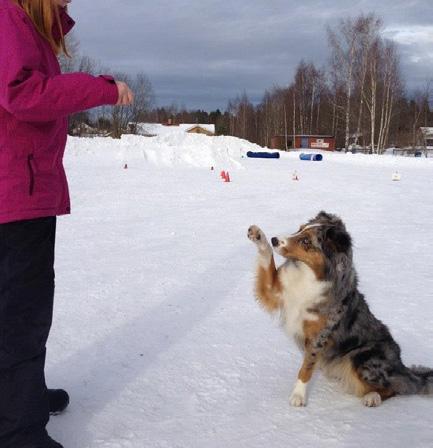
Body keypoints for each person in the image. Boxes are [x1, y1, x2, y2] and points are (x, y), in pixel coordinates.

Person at [0, 0, 134, 446]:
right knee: (23, 315)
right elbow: (22, 94)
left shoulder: (27, 25)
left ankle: (22, 396)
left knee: (21, 309)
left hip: (25, 191)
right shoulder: (7, 16)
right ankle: (19, 430)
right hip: (16, 194)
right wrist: (100, 88)